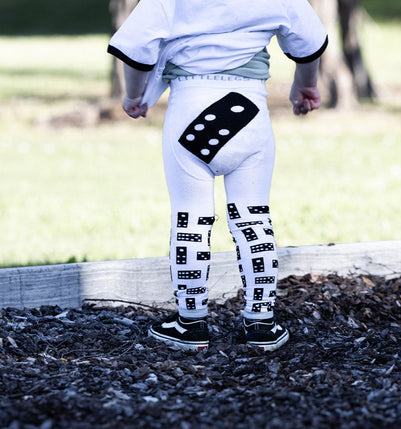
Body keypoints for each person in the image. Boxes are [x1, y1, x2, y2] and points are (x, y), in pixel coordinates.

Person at [108, 0, 328, 352]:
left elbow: (135, 47)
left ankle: (190, 324)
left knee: (190, 217)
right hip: (250, 111)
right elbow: (311, 41)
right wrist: (306, 85)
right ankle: (261, 323)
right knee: (254, 219)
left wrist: (135, 95)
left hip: (190, 107)